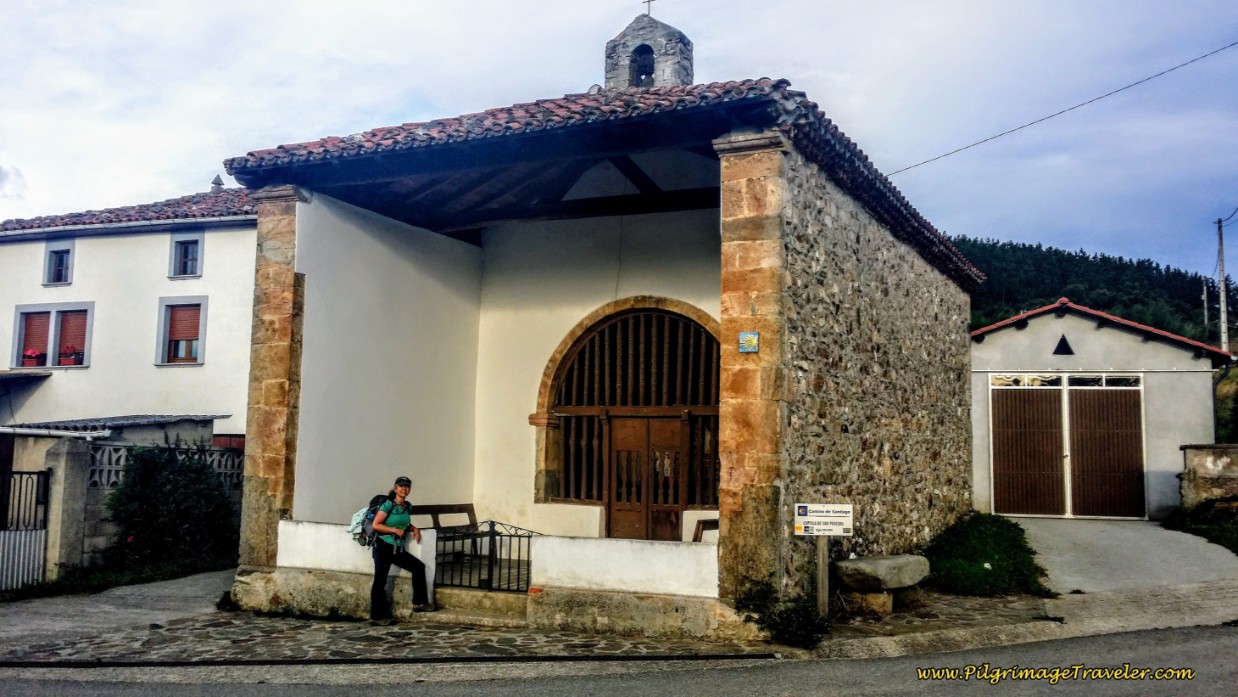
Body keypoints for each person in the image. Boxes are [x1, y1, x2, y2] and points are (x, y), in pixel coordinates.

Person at [370, 475, 434, 623]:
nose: (404, 489)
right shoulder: (388, 505)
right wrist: (394, 530)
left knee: (418, 567)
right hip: (383, 546)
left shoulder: (407, 506)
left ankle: (419, 603)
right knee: (380, 580)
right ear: (395, 488)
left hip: (396, 548)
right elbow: (376, 525)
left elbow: (403, 523)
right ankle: (377, 616)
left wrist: (414, 528)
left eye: (407, 486)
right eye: (401, 486)